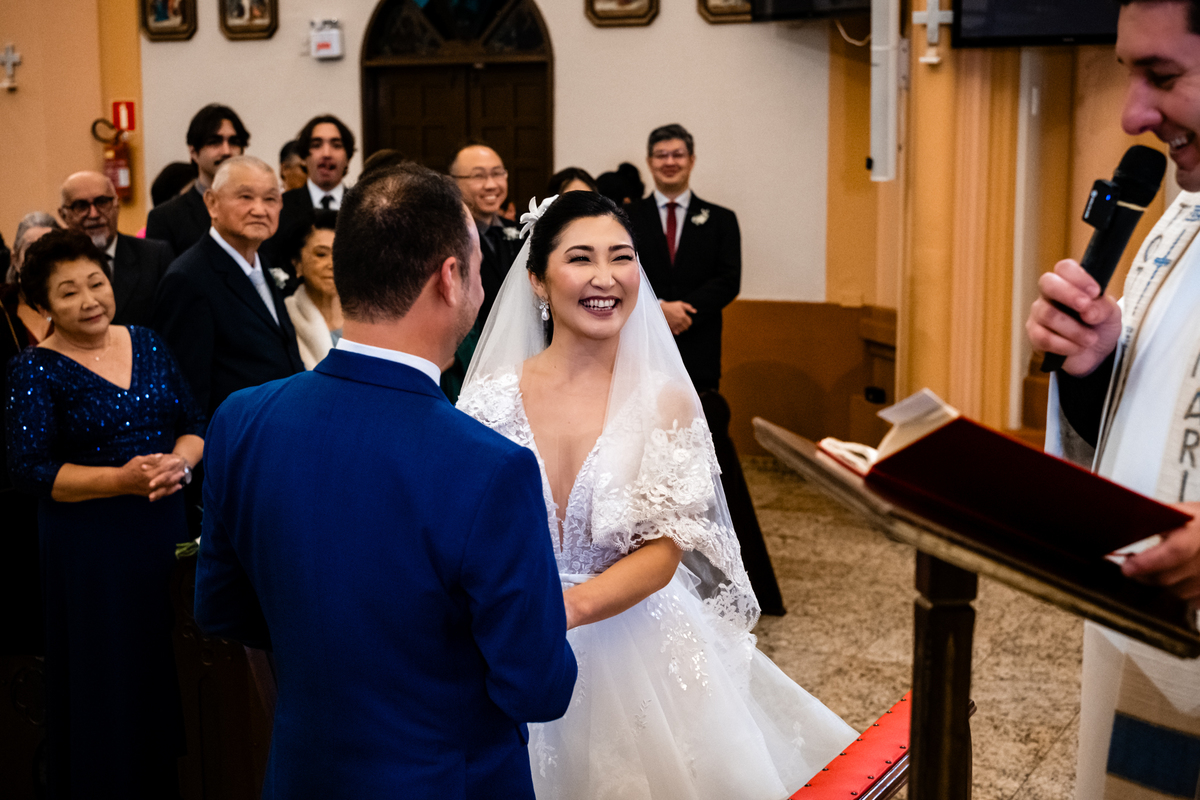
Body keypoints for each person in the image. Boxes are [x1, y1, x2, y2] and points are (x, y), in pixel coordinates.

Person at [193, 163, 576, 798]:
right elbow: (536, 686)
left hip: (302, 773)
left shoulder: (242, 420)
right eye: (479, 270)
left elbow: (222, 608)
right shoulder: (488, 467)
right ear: (450, 278)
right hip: (447, 779)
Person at [457, 191, 856, 799]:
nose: (605, 278)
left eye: (622, 258)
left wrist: (561, 612)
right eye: (581, 258)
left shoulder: (662, 399)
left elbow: (667, 548)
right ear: (538, 280)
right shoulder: (487, 396)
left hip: (629, 636)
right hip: (506, 637)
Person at [1026, 2, 1200, 796]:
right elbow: (1152, 430)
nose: (1134, 115)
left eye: (1162, 76)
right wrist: (1096, 366)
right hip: (1149, 645)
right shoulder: (1181, 220)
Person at [6, 229, 204, 797]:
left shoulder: (146, 340)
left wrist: (181, 465)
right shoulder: (34, 369)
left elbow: (194, 422)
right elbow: (31, 471)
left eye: (96, 283)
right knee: (107, 677)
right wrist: (119, 480)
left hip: (162, 527)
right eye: (68, 293)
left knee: (167, 662)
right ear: (42, 306)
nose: (90, 300)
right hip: (89, 545)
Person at [628, 124, 784, 613]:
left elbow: (728, 279)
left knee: (700, 460)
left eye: (677, 155)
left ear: (691, 160)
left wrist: (683, 310)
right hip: (643, 353)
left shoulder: (719, 219)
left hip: (697, 350)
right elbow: (626, 273)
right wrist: (657, 311)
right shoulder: (629, 219)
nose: (669, 162)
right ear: (650, 162)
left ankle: (711, 567)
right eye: (660, 155)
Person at [152, 155, 304, 418]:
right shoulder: (188, 278)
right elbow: (188, 392)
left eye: (270, 199)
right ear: (211, 203)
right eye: (245, 197)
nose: (259, 209)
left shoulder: (262, 263)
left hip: (281, 426)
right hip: (235, 439)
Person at [59, 171, 173, 327]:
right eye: (81, 206)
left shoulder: (155, 257)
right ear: (63, 215)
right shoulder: (57, 267)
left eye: (102, 202)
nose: (94, 214)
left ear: (116, 205)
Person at [145, 104, 250, 257]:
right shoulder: (166, 218)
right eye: (215, 142)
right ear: (193, 152)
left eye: (234, 142)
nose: (226, 151)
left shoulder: (258, 208)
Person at [263, 115, 355, 283]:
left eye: (336, 145)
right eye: (316, 145)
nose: (326, 153)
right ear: (304, 157)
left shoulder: (364, 207)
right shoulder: (279, 207)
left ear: (348, 157)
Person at [450, 142, 522, 332]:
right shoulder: (447, 239)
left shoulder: (524, 232)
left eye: (498, 173)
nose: (491, 185)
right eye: (478, 176)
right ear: (452, 182)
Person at [283, 209, 342, 368]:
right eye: (321, 254)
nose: (332, 265)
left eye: (339, 254)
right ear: (297, 263)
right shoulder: (284, 317)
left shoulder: (368, 315)